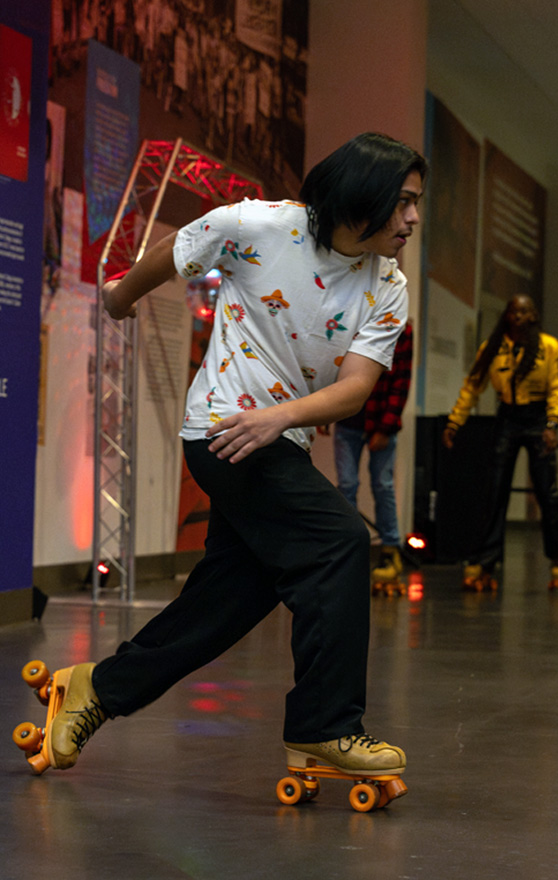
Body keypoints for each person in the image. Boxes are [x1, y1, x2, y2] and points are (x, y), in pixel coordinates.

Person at [43, 132, 425, 779]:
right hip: (222, 430)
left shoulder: (387, 285)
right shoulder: (262, 226)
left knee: (229, 599)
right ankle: (326, 727)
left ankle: (96, 689)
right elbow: (181, 248)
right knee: (338, 541)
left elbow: (356, 389)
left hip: (278, 438)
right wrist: (120, 294)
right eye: (404, 201)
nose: (413, 218)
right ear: (366, 192)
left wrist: (283, 417)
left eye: (418, 203)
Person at [442, 294, 558, 590]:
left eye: (525, 311)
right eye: (514, 311)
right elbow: (472, 387)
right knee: (495, 490)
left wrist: (552, 424)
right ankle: (486, 561)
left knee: (547, 493)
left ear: (534, 315)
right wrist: (454, 422)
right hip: (508, 418)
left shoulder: (549, 347)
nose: (519, 317)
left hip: (538, 418)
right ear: (507, 315)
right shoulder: (493, 347)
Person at [332, 321, 414, 589]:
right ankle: (349, 551)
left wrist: (386, 427)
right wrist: (325, 410)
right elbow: (333, 363)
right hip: (347, 418)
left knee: (382, 485)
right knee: (346, 485)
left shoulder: (401, 327)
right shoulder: (350, 318)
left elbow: (401, 380)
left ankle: (390, 551)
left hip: (380, 418)